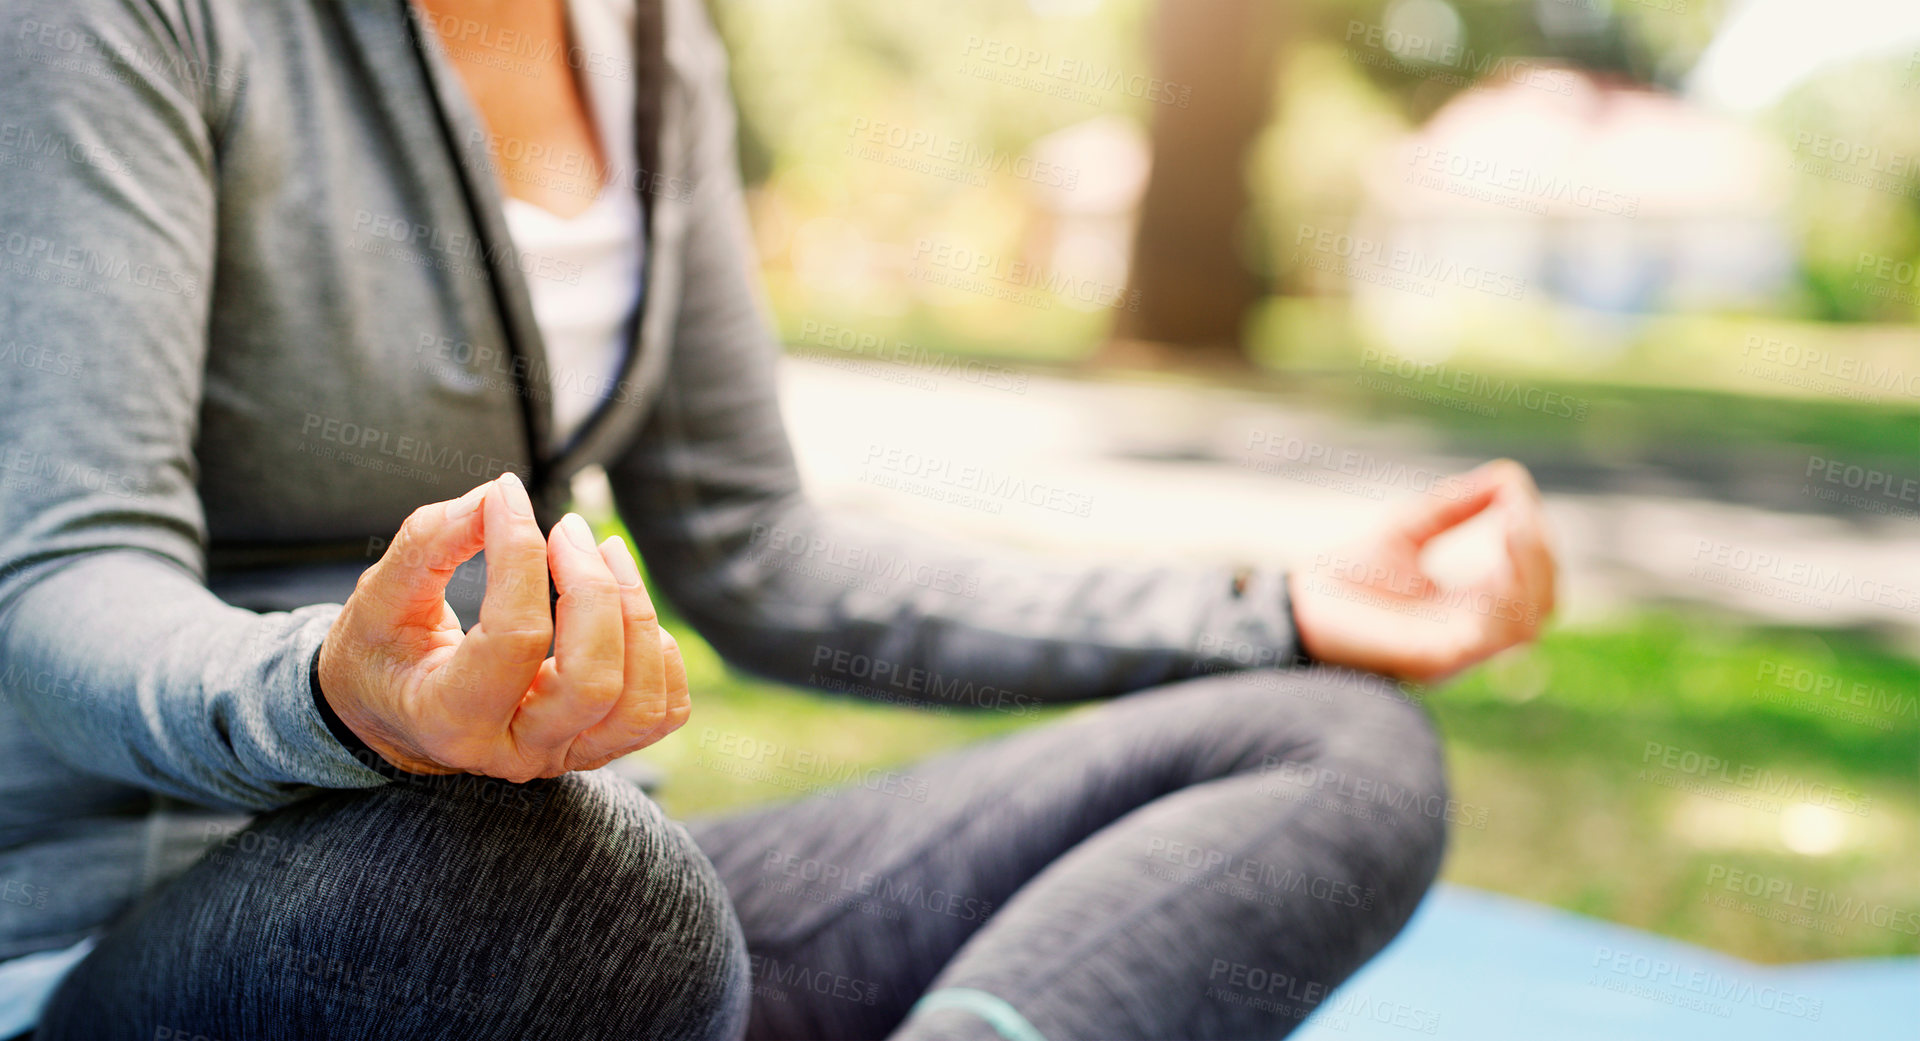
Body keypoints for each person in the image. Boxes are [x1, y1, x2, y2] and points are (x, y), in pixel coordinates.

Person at [0, 0, 1555, 1038]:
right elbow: (69, 575)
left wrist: (1269, 604)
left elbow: (758, 552)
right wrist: (338, 698)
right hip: (175, 931)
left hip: (592, 934)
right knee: (589, 895)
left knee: (1335, 747)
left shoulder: (648, 41)